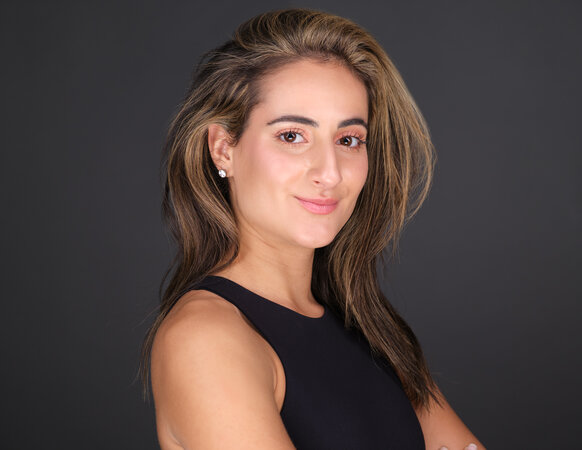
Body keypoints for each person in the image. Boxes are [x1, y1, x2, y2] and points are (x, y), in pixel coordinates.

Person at [141, 8, 485, 450]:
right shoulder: (204, 338)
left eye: (348, 140)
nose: (330, 172)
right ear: (224, 148)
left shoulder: (366, 324)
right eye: (292, 136)